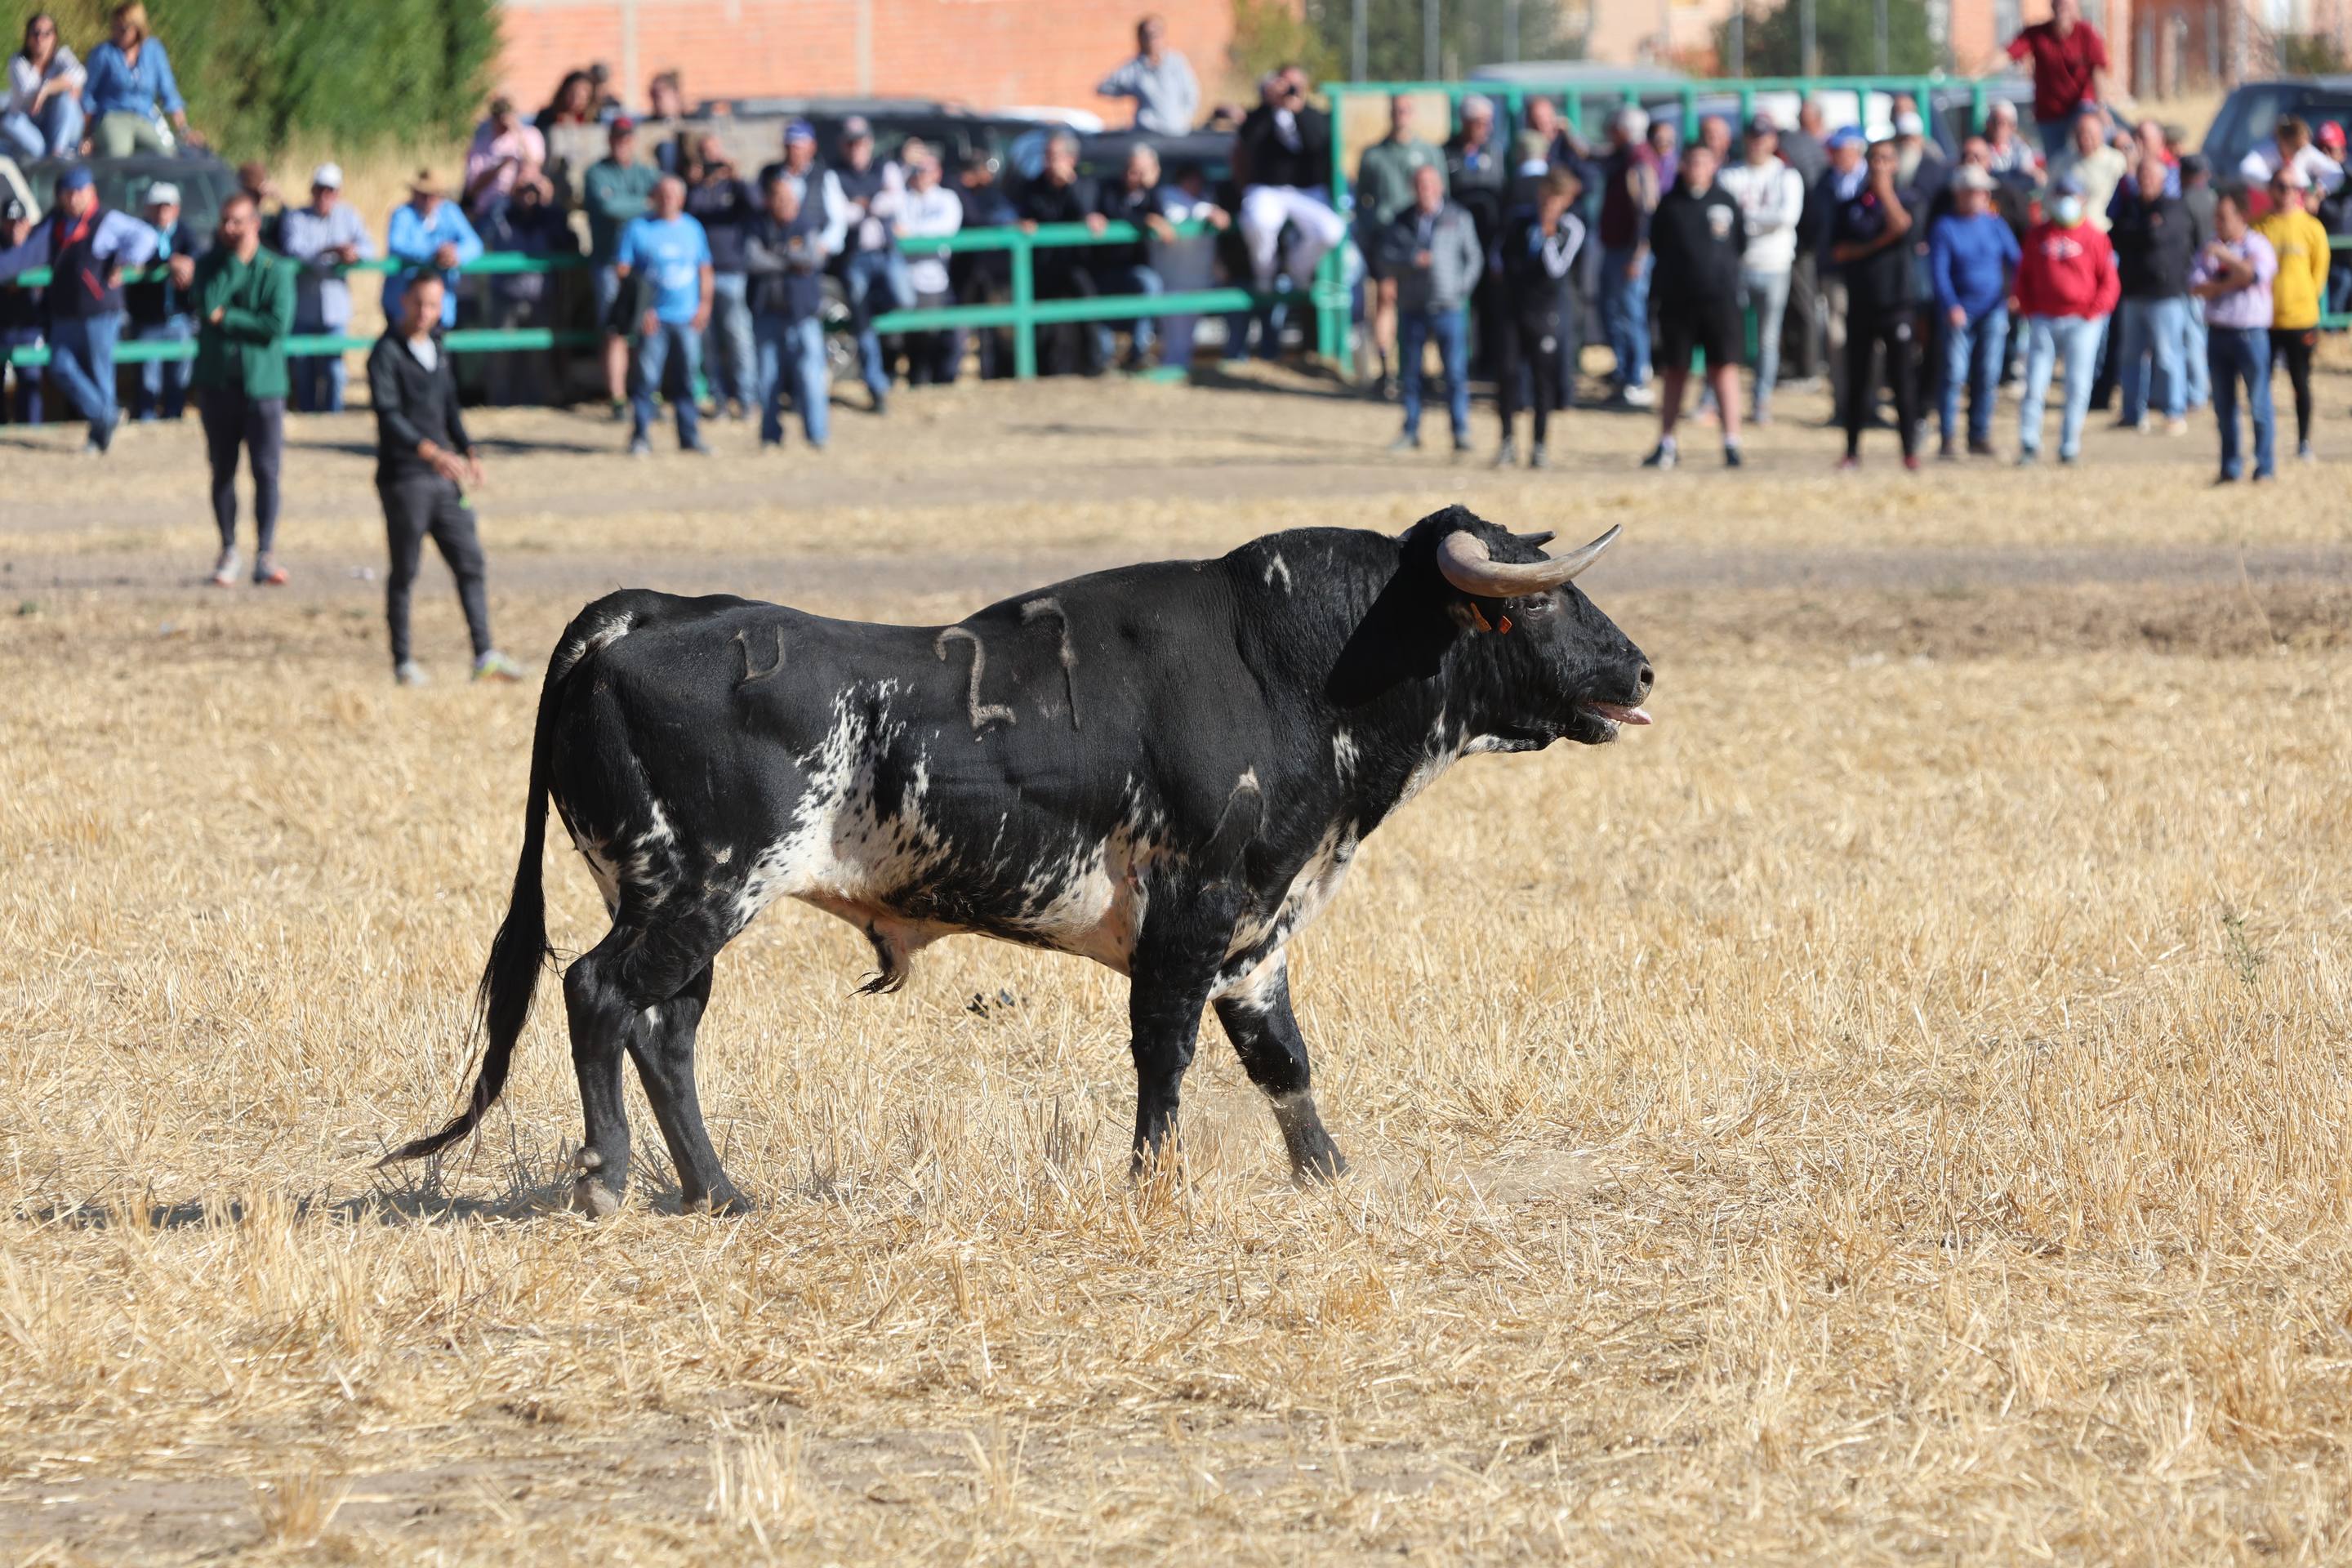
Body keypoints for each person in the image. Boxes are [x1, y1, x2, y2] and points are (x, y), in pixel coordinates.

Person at [366, 273, 523, 687]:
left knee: (470, 561)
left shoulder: (437, 347)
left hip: (445, 479)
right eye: (419, 304)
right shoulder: (386, 353)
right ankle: (403, 661)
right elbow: (389, 416)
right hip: (406, 479)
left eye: (433, 306)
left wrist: (469, 449)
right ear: (404, 301)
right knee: (405, 570)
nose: (425, 313)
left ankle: (484, 654)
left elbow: (450, 406)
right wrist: (432, 452)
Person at [0, 166, 156, 454]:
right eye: (67, 192)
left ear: (91, 192)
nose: (73, 198)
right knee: (59, 365)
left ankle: (100, 439)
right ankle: (106, 416)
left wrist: (125, 260)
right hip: (65, 312)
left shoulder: (106, 220)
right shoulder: (55, 222)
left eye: (79, 192)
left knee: (100, 373)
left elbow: (147, 236)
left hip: (100, 312)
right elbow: (24, 256)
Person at [190, 191, 291, 587]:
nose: (229, 229)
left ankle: (265, 552)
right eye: (225, 222)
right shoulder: (211, 265)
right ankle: (228, 547)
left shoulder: (276, 268)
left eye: (237, 222)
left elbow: (275, 326)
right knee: (223, 471)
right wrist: (233, 265)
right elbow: (205, 305)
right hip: (218, 385)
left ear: (255, 223)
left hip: (264, 387)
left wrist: (227, 318)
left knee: (266, 472)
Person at [1642, 140, 1747, 470]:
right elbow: (1657, 246)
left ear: (1714, 164)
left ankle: (1732, 443)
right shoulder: (1670, 205)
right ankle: (1667, 443)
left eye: (1705, 161)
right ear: (1682, 166)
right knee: (1676, 371)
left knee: (1723, 369)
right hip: (1678, 303)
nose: (1698, 168)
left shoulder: (1726, 202)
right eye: (1692, 162)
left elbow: (1740, 244)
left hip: (1720, 301)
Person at [2012, 174, 2118, 466]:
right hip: (2044, 319)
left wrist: (2093, 312)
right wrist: (2029, 308)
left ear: (2083, 200)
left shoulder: (2095, 237)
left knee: (2077, 385)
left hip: (2082, 321)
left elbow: (2109, 281)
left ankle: (2069, 445)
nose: (2066, 202)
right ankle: (2029, 444)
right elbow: (2023, 277)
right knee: (2035, 384)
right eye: (2061, 195)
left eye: (2072, 195)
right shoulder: (2038, 235)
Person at [1830, 139, 1918, 470]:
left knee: (1901, 381)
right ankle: (1852, 451)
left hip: (1897, 303)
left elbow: (1904, 226)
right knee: (1858, 380)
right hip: (1861, 303)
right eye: (1875, 159)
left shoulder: (1909, 199)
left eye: (1887, 159)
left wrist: (1886, 194)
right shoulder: (1850, 205)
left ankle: (1909, 452)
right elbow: (1839, 251)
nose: (1880, 165)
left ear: (1896, 164)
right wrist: (1878, 243)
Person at [1382, 163, 1479, 455]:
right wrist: (1412, 259)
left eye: (1430, 184)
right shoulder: (1402, 220)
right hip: (1413, 305)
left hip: (1449, 305)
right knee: (1410, 374)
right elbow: (1386, 256)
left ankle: (1460, 430)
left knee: (1455, 374)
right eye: (1420, 185)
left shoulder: (1457, 217)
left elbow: (1473, 258)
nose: (1425, 190)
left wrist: (1459, 289)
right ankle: (1411, 430)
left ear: (1440, 187)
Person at [615, 173, 713, 455]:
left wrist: (704, 305)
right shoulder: (638, 228)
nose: (668, 199)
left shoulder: (693, 228)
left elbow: (704, 269)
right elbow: (624, 270)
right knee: (647, 379)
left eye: (673, 194)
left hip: (687, 317)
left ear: (681, 199)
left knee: (687, 380)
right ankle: (641, 436)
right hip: (654, 319)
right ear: (654, 197)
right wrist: (641, 309)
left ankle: (689, 436)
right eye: (663, 194)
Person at [1492, 167, 1583, 468]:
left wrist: (1547, 234)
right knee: (1507, 373)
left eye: (1555, 200)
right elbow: (1500, 254)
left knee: (1543, 379)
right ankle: (1507, 441)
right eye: (1545, 198)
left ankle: (1539, 445)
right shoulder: (1519, 220)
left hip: (1546, 312)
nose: (1547, 205)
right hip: (1513, 308)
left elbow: (1557, 270)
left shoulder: (1571, 228)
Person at [1234, 65, 1348, 305]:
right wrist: (1270, 104)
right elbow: (1248, 139)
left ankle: (1298, 270)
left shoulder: (1314, 115)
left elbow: (1319, 142)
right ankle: (1265, 275)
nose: (1290, 90)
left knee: (1332, 231)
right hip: (1268, 189)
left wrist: (1299, 110)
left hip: (1307, 191)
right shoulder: (1262, 115)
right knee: (1259, 222)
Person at [1356, 94, 1446, 398]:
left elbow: (1441, 197)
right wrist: (1374, 228)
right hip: (1389, 239)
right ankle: (1386, 369)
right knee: (1386, 297)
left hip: (1421, 236)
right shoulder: (1374, 156)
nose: (1401, 116)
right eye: (1397, 110)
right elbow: (1361, 201)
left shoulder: (1429, 153)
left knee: (1429, 301)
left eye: (1407, 110)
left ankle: (1424, 368)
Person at [1718, 113, 1804, 425]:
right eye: (1753, 138)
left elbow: (1787, 217)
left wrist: (1749, 220)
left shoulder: (1786, 176)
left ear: (1773, 141)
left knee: (1768, 339)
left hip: (1775, 264)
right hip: (1738, 265)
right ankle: (1717, 399)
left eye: (1764, 138)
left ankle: (1761, 401)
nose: (1758, 144)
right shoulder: (1731, 174)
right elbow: (1725, 220)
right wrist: (1758, 222)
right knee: (1728, 335)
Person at [1929, 167, 2020, 457]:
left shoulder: (1995, 224)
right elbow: (1939, 272)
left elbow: (2017, 259)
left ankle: (1979, 435)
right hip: (1960, 311)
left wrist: (2015, 293)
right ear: (1960, 193)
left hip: (1993, 309)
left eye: (1983, 191)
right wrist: (1951, 305)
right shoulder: (1945, 227)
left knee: (1988, 373)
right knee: (1954, 374)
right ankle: (1947, 437)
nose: (1980, 197)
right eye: (1974, 191)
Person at [2191, 187, 2277, 483]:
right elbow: (2197, 287)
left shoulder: (2258, 245)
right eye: (2216, 217)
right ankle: (2230, 467)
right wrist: (2233, 280)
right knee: (2224, 407)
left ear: (2241, 217)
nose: (2218, 222)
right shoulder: (2209, 248)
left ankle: (2264, 465)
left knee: (2258, 403)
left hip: (2250, 334)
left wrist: (2224, 272)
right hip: (2218, 334)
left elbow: (2255, 275)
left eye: (2224, 217)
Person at [745, 169, 832, 450]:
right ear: (769, 201)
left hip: (802, 314)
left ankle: (817, 436)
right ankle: (770, 437)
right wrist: (789, 261)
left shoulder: (805, 225)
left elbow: (811, 257)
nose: (784, 205)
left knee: (810, 376)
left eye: (788, 199)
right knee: (767, 379)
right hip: (767, 313)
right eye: (778, 199)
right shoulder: (758, 226)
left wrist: (778, 255)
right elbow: (754, 260)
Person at [2108, 154, 2194, 437]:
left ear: (2162, 179)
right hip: (2133, 292)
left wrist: (2141, 232)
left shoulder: (2174, 208)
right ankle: (2132, 413)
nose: (2145, 181)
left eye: (2150, 176)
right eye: (2141, 176)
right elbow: (2117, 235)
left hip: (2164, 294)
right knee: (2131, 355)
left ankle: (2174, 410)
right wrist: (2144, 229)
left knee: (2168, 355)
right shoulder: (2131, 207)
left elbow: (2158, 237)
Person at [278, 163, 374, 414]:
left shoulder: (349, 216)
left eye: (330, 190)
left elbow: (369, 248)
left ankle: (334, 416)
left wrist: (353, 254)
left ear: (338, 192)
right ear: (312, 189)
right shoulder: (296, 217)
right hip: (304, 309)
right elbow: (294, 250)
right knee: (303, 368)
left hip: (335, 309)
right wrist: (330, 252)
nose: (324, 195)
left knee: (335, 371)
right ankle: (309, 414)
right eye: (320, 189)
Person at [475, 167, 575, 408]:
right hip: (505, 296)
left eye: (532, 191)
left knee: (538, 357)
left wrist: (548, 204)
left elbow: (568, 241)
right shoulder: (502, 214)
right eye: (521, 190)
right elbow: (481, 231)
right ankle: (498, 404)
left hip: (540, 296)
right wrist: (504, 199)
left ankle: (534, 403)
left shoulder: (548, 217)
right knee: (500, 355)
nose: (527, 196)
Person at [834, 116, 911, 413]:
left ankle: (869, 310)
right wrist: (871, 205)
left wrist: (867, 205)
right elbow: (843, 214)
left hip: (885, 252)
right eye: (851, 143)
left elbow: (895, 202)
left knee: (904, 297)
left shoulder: (884, 167)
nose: (856, 148)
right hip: (855, 256)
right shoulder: (835, 174)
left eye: (861, 142)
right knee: (862, 324)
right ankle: (876, 387)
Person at [1017, 128, 1107, 375]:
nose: (1049, 161)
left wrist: (1070, 183)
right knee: (1043, 321)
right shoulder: (1033, 185)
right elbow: (1024, 215)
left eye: (1054, 155)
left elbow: (1088, 212)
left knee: (1087, 311)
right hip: (1044, 265)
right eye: (1047, 155)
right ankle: (1039, 370)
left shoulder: (1085, 184)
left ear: (1071, 159)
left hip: (1078, 264)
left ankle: (1095, 366)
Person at [586, 119, 659, 417]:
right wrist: (645, 204)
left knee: (646, 327)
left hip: (642, 265)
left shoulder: (646, 172)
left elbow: (662, 202)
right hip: (610, 263)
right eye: (618, 137)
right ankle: (617, 397)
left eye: (627, 138)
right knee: (615, 330)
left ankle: (645, 392)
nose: (622, 143)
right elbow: (608, 208)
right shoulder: (596, 173)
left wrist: (629, 204)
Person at [2254, 169, 2327, 462]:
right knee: (2261, 384)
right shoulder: (2259, 226)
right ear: (2270, 189)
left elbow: (2318, 273)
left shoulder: (2311, 228)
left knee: (2300, 382)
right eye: (2279, 186)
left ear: (2298, 190)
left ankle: (2304, 442)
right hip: (2266, 321)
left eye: (2289, 186)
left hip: (2300, 319)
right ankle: (2264, 445)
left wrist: (2303, 298)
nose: (2284, 191)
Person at [684, 134, 757, 418]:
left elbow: (757, 205)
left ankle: (748, 399)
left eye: (714, 153)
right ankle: (719, 401)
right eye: (705, 153)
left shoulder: (734, 188)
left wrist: (736, 176)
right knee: (708, 343)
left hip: (731, 272)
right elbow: (688, 214)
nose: (711, 160)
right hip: (701, 276)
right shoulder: (698, 189)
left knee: (739, 337)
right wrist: (698, 182)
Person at [1596, 105, 1662, 408]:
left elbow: (1646, 212)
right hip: (1618, 248)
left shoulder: (1639, 161)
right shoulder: (1624, 157)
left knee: (1630, 313)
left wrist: (1638, 255)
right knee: (1614, 309)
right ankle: (1626, 371)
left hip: (1630, 251)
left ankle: (1636, 376)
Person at [1093, 142, 1175, 371]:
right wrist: (1144, 220)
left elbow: (1163, 220)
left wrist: (1149, 190)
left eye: (1141, 171)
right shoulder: (1107, 188)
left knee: (1150, 285)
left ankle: (1139, 353)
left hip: (1135, 267)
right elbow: (1113, 214)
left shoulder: (1153, 194)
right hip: (1104, 265)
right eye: (1131, 170)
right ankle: (1105, 358)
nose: (1134, 176)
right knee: (1098, 299)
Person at [80, 2, 194, 156]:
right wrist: (87, 134)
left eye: (124, 28)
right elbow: (88, 95)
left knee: (166, 156)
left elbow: (169, 91)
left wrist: (184, 129)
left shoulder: (153, 50)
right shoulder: (104, 53)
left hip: (144, 117)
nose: (117, 33)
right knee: (119, 153)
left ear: (137, 28)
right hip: (113, 116)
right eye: (115, 27)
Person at [892, 141, 964, 385]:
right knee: (907, 342)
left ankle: (930, 385)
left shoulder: (947, 198)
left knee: (931, 339)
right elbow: (895, 225)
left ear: (938, 173)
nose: (921, 176)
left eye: (927, 170)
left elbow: (944, 231)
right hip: (907, 279)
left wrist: (911, 233)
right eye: (917, 170)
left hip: (934, 281)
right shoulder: (904, 198)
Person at [124, 182, 194, 421]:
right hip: (148, 318)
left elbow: (196, 256)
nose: (162, 212)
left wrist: (185, 263)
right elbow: (135, 256)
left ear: (176, 209)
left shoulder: (185, 232)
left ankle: (174, 417)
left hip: (179, 317)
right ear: (148, 209)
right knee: (147, 377)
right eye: (157, 207)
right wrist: (168, 263)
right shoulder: (139, 232)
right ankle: (146, 419)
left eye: (167, 206)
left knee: (179, 376)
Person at [2007, 0, 2114, 154]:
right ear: (2052, 6)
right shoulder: (2038, 34)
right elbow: (2007, 53)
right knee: (2057, 162)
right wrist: (1978, 72)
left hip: (2079, 105)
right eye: (2059, 4)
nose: (2063, 8)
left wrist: (2101, 106)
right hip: (2049, 112)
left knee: (2090, 133)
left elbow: (2098, 70)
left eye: (2067, 4)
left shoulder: (2086, 33)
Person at [385, 169, 482, 330]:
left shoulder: (450, 212)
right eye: (424, 194)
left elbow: (474, 244)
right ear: (415, 193)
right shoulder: (403, 214)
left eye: (434, 194)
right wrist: (432, 254)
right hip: (404, 306)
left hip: (441, 309)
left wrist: (456, 254)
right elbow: (396, 245)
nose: (429, 199)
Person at [1096, 13, 1198, 136]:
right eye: (1148, 35)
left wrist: (1183, 119)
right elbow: (1103, 87)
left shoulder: (1176, 61)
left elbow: (1192, 93)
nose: (1153, 40)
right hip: (1147, 134)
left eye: (1157, 34)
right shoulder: (1134, 68)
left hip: (1176, 133)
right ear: (1140, 38)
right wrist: (1126, 90)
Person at [4, 12, 84, 160]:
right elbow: (27, 90)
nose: (40, 39)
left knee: (67, 99)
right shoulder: (18, 61)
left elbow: (80, 74)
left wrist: (47, 89)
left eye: (47, 33)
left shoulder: (62, 55)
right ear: (27, 37)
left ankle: (57, 152)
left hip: (57, 122)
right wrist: (63, 83)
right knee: (34, 145)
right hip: (30, 121)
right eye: (35, 33)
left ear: (54, 37)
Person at [463, 96, 547, 216]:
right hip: (488, 209)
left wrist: (517, 133)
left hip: (521, 205)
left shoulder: (530, 135)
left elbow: (534, 167)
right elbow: (472, 190)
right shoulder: (481, 143)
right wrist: (502, 165)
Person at [2049, 105, 2127, 233]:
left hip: (2102, 230)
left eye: (2090, 134)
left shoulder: (2116, 161)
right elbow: (2048, 197)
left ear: (2101, 135)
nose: (2085, 139)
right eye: (2080, 134)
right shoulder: (2061, 161)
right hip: (2067, 230)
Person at [0, 195, 41, 425]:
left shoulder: (35, 243)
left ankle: (31, 427)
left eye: (19, 221)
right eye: (9, 221)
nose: (14, 227)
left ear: (27, 222)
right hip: (2, 323)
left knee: (30, 379)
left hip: (28, 324)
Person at [2179, 154, 2216, 412]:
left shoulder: (2183, 202)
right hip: (2215, 276)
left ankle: (2197, 391)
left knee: (2193, 336)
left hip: (2192, 276)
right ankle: (2204, 388)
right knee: (2204, 335)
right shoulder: (2214, 199)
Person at [2238, 116, 2344, 198]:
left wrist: (2317, 191)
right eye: (2296, 147)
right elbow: (2246, 169)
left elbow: (2335, 172)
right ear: (2283, 142)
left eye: (2302, 148)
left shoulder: (2305, 151)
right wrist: (2275, 185)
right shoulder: (2265, 151)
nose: (2299, 152)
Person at [1983, 100, 2042, 179]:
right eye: (1994, 122)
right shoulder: (1979, 146)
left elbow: (2027, 170)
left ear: (2013, 126)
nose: (1998, 128)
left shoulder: (2021, 148)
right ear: (1988, 124)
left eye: (2002, 123)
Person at [535, 69, 595, 138]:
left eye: (581, 97)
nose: (575, 101)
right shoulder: (547, 117)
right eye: (572, 94)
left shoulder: (595, 120)